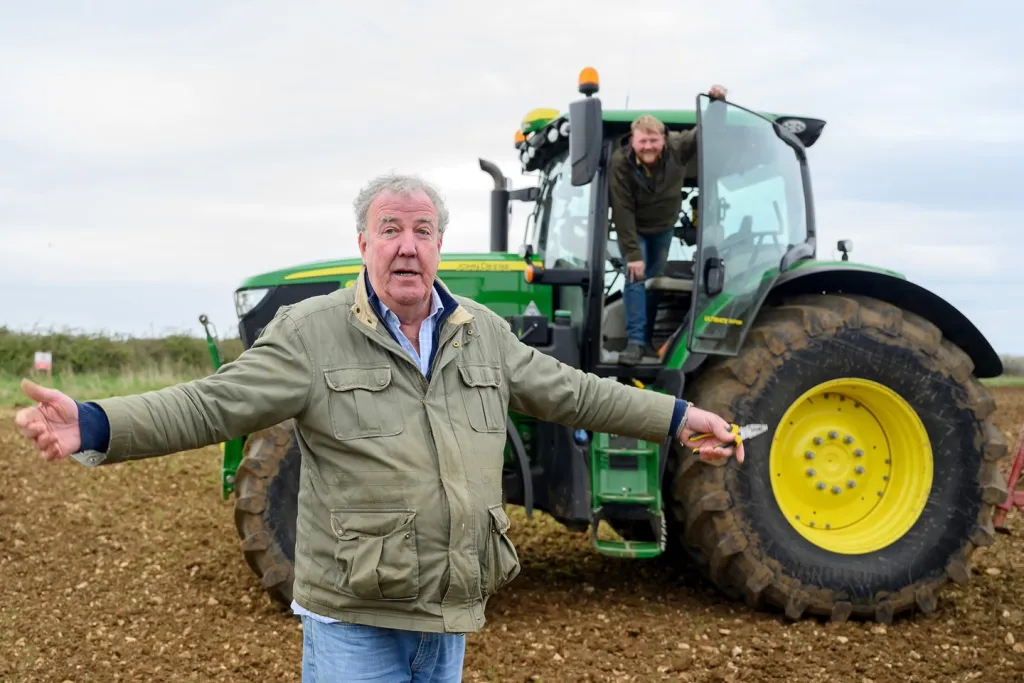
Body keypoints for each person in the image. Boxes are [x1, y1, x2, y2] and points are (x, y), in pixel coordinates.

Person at [14, 173, 745, 683]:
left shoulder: (481, 332)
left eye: (422, 231)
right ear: (363, 242)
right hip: (355, 620)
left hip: (448, 615)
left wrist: (679, 417)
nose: (406, 245)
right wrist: (96, 421)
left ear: (439, 246)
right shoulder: (311, 332)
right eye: (389, 229)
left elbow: (576, 393)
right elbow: (213, 403)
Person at [608, 85, 728, 365]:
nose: (648, 146)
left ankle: (649, 341)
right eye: (643, 141)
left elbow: (706, 132)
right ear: (633, 141)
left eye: (653, 140)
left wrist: (717, 105)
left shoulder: (678, 147)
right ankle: (636, 343)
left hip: (663, 228)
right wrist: (632, 254)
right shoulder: (620, 163)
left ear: (664, 139)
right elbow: (622, 209)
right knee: (636, 277)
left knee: (654, 281)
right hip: (635, 227)